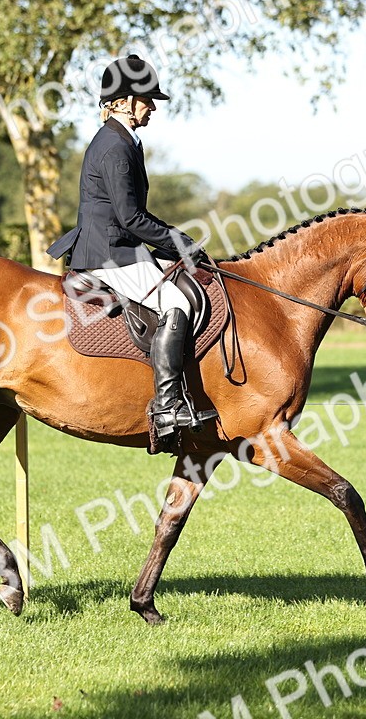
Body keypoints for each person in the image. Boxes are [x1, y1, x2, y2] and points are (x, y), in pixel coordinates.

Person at [46, 54, 217, 444]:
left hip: (117, 247)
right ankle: (169, 404)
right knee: (177, 303)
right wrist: (182, 244)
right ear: (123, 100)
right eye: (146, 99)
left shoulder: (123, 140)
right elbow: (131, 218)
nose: (153, 107)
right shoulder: (115, 146)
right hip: (110, 253)